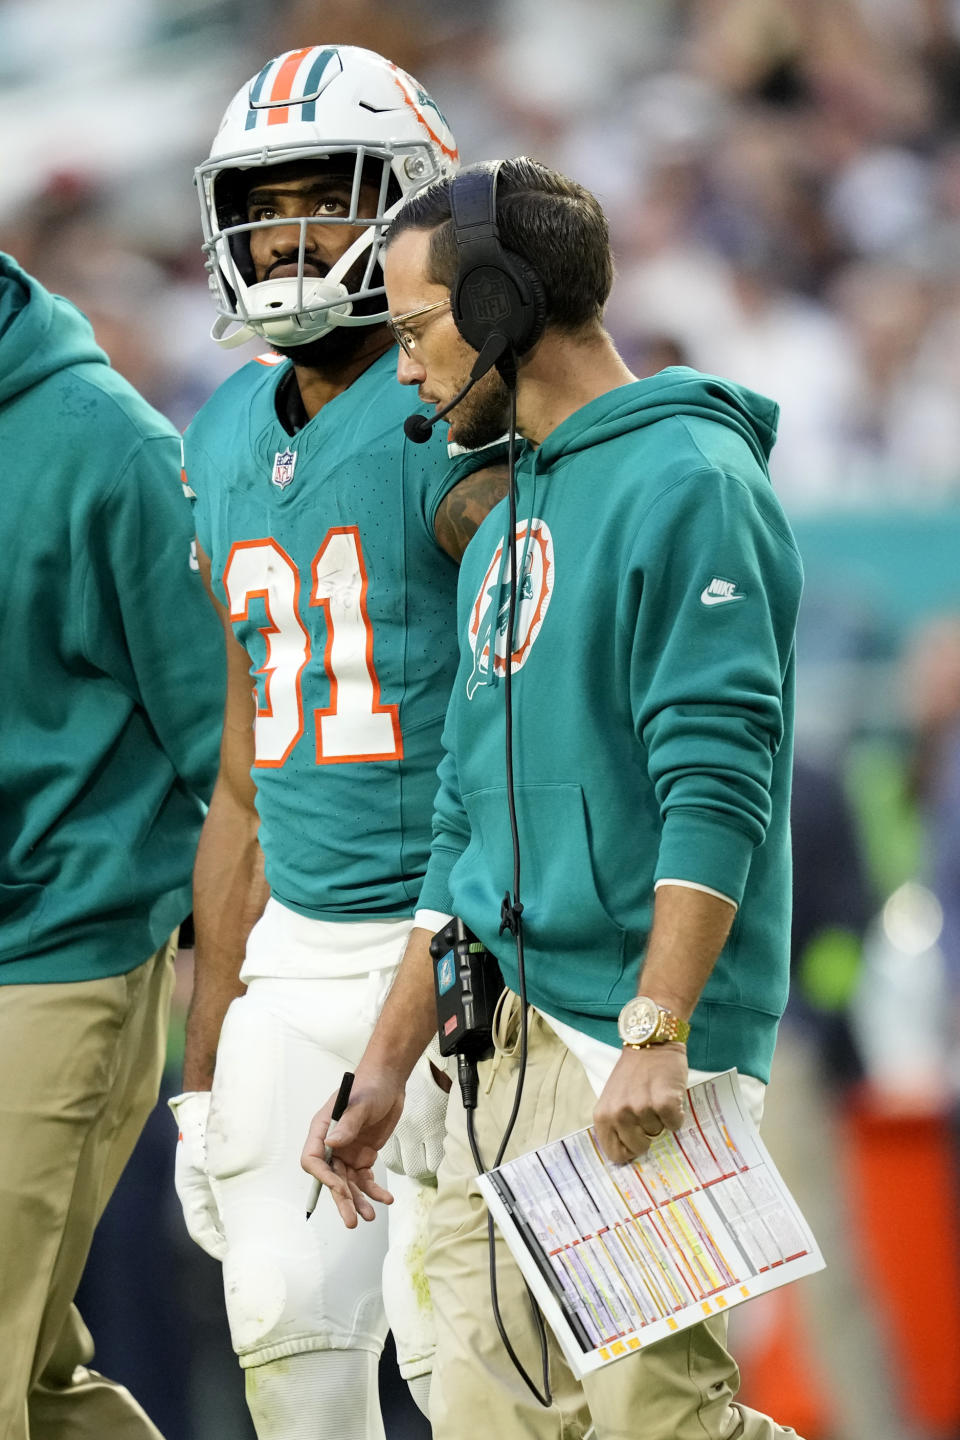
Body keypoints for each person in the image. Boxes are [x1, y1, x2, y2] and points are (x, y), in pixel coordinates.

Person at [302, 157, 807, 1440]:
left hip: (628, 1043)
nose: (405, 369)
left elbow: (718, 774)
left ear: (501, 305)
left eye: (416, 330)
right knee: (480, 1416)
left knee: (660, 1426)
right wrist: (384, 1063)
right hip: (499, 1044)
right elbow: (466, 824)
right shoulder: (515, 497)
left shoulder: (690, 480)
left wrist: (658, 1029)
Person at [168, 45, 509, 1440]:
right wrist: (202, 1065)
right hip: (297, 947)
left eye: (322, 198)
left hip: (448, 937)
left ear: (410, 201)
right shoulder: (224, 430)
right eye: (261, 207)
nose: (284, 240)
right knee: (288, 1353)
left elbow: (531, 720)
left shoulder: (459, 413)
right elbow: (245, 779)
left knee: (464, 1364)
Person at [0, 251, 223, 1440]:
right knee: (31, 1378)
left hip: (57, 946)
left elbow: (222, 745)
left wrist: (240, 989)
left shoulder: (111, 445)